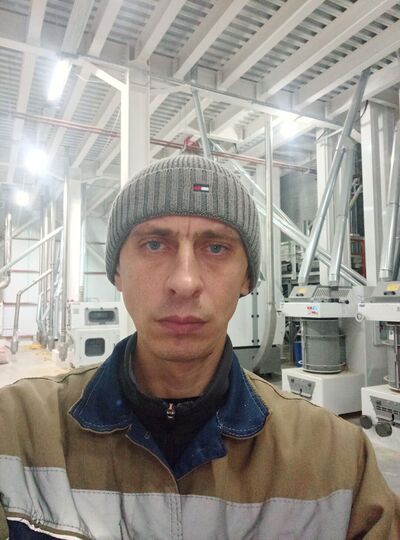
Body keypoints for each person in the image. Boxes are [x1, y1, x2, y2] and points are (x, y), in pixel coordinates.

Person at [0, 155, 399, 539]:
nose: (185, 282)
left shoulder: (337, 458)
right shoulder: (17, 431)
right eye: (154, 245)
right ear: (117, 272)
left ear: (247, 279)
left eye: (216, 248)